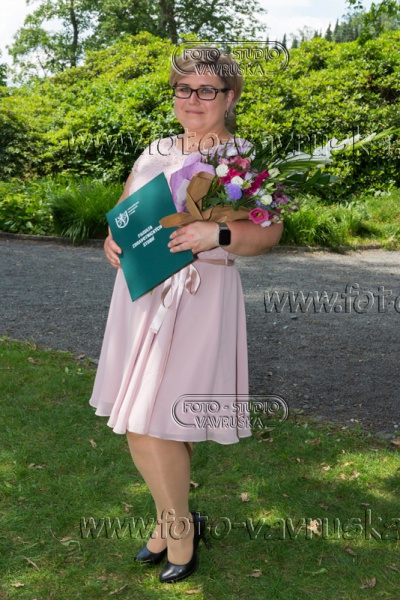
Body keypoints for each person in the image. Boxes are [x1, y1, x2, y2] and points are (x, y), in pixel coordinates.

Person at [89, 48, 283, 584]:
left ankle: (178, 531)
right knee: (156, 422)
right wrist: (111, 240)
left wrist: (215, 232)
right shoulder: (155, 150)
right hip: (141, 296)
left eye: (206, 90)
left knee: (151, 422)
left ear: (230, 96)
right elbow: (127, 212)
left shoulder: (243, 158)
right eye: (183, 89)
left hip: (200, 298)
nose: (192, 100)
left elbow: (270, 232)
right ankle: (172, 519)